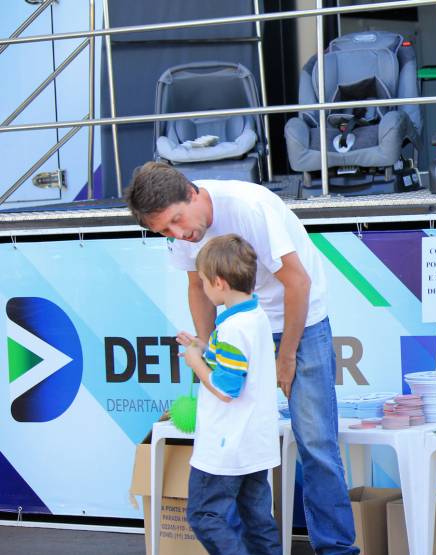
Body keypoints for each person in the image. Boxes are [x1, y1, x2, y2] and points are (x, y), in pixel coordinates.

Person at [126, 163, 358, 555]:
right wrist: (206, 345)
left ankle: (336, 549)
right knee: (247, 439)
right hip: (243, 328)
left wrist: (287, 358)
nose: (178, 235)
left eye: (177, 221)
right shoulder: (183, 232)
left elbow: (298, 282)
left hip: (300, 320)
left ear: (191, 192)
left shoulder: (250, 207)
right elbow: (196, 287)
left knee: (316, 443)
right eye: (164, 231)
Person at [176, 234, 281, 554]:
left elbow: (226, 388)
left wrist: (195, 362)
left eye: (203, 281)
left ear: (219, 283)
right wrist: (204, 348)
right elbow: (238, 366)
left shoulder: (232, 329)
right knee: (257, 520)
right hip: (255, 443)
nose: (202, 288)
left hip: (226, 446)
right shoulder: (256, 317)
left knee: (204, 515)